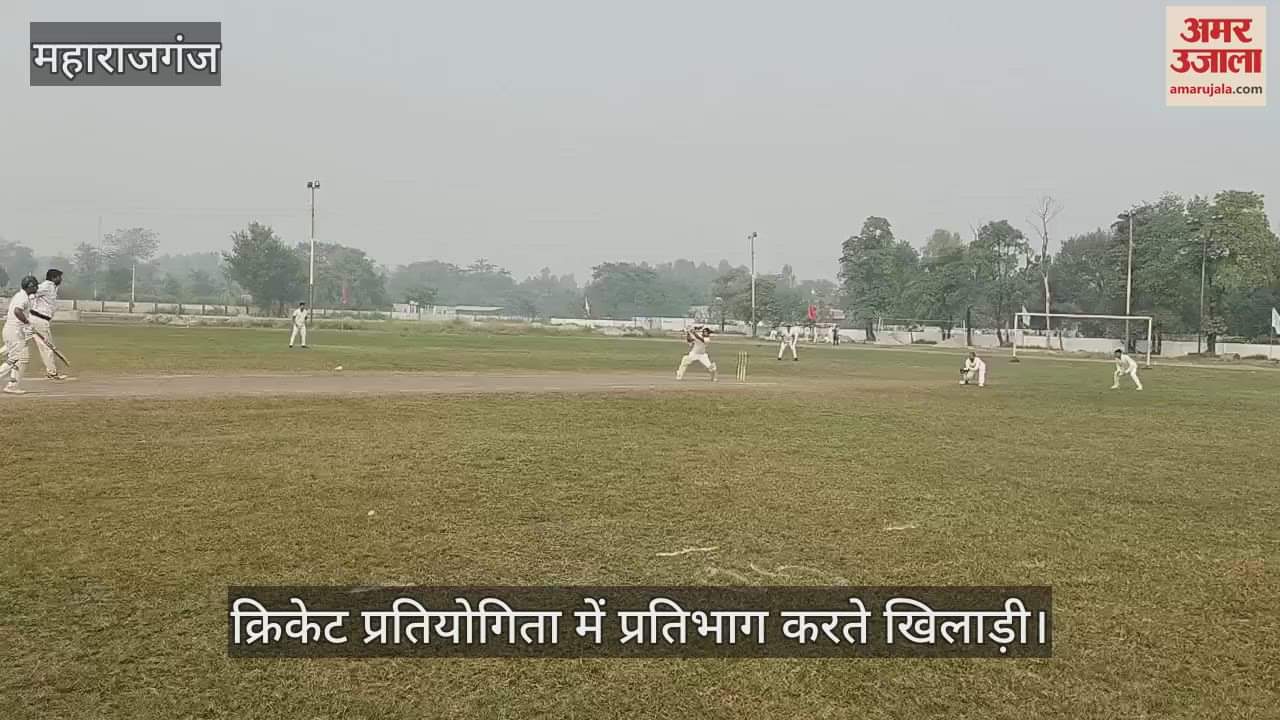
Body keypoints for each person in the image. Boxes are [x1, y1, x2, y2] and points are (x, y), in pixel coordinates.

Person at [30, 269, 71, 380]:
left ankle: (52, 372)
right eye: (59, 277)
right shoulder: (47, 286)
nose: (61, 279)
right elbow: (31, 292)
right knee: (47, 347)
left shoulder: (52, 287)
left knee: (17, 343)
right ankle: (52, 373)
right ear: (54, 278)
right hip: (39, 320)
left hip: (34, 319)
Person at [2, 276, 40, 395]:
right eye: (35, 285)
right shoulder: (22, 297)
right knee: (17, 359)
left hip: (14, 331)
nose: (37, 287)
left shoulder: (21, 296)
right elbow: (17, 311)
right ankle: (12, 386)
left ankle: (13, 384)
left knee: (18, 358)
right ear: (29, 286)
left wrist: (27, 328)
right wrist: (27, 323)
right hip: (14, 331)